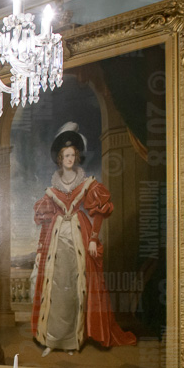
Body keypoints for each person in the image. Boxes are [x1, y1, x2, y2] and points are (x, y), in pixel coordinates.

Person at [30, 123, 136, 355]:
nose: (69, 159)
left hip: (80, 236)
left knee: (76, 289)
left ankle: (72, 341)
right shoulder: (51, 190)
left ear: (76, 157)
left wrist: (93, 239)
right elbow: (45, 223)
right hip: (55, 242)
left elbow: (98, 212)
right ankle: (53, 339)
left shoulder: (87, 184)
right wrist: (39, 250)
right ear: (60, 158)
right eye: (66, 155)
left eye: (73, 155)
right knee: (56, 290)